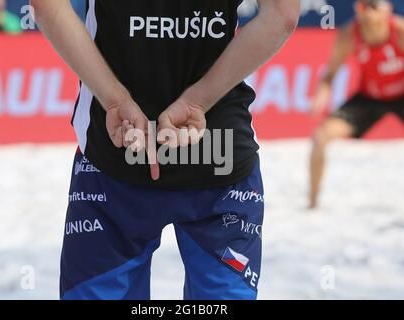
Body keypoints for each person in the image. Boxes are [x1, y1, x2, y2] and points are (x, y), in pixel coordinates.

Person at [31, 0, 300, 300]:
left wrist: (115, 99)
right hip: (218, 149)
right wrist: (198, 100)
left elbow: (46, 7)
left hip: (118, 144)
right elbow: (282, 15)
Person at [309, 0, 404, 209]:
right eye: (363, 7)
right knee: (320, 137)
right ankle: (312, 205)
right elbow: (330, 74)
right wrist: (321, 94)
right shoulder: (349, 34)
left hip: (401, 94)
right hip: (368, 98)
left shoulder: (399, 31)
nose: (368, 13)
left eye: (373, 7)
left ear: (387, 10)